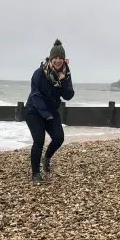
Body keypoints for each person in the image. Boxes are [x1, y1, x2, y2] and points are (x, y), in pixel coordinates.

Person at [24, 39, 75, 183]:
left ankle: (46, 158)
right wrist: (45, 114)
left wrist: (64, 81)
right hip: (34, 110)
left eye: (61, 58)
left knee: (59, 138)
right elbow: (36, 95)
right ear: (50, 58)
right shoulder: (39, 73)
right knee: (39, 140)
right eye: (55, 58)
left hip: (51, 111)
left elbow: (69, 95)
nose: (58, 61)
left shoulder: (66, 74)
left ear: (64, 59)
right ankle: (35, 174)